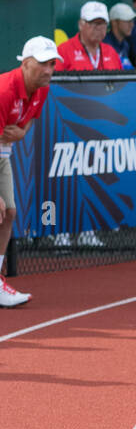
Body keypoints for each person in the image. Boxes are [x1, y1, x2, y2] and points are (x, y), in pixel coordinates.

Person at [0, 37, 59, 308]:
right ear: (25, 64)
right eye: (42, 64)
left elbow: (28, 122)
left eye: (52, 63)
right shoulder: (4, 91)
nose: (48, 69)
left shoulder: (42, 89)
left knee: (9, 213)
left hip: (3, 154)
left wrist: (21, 132)